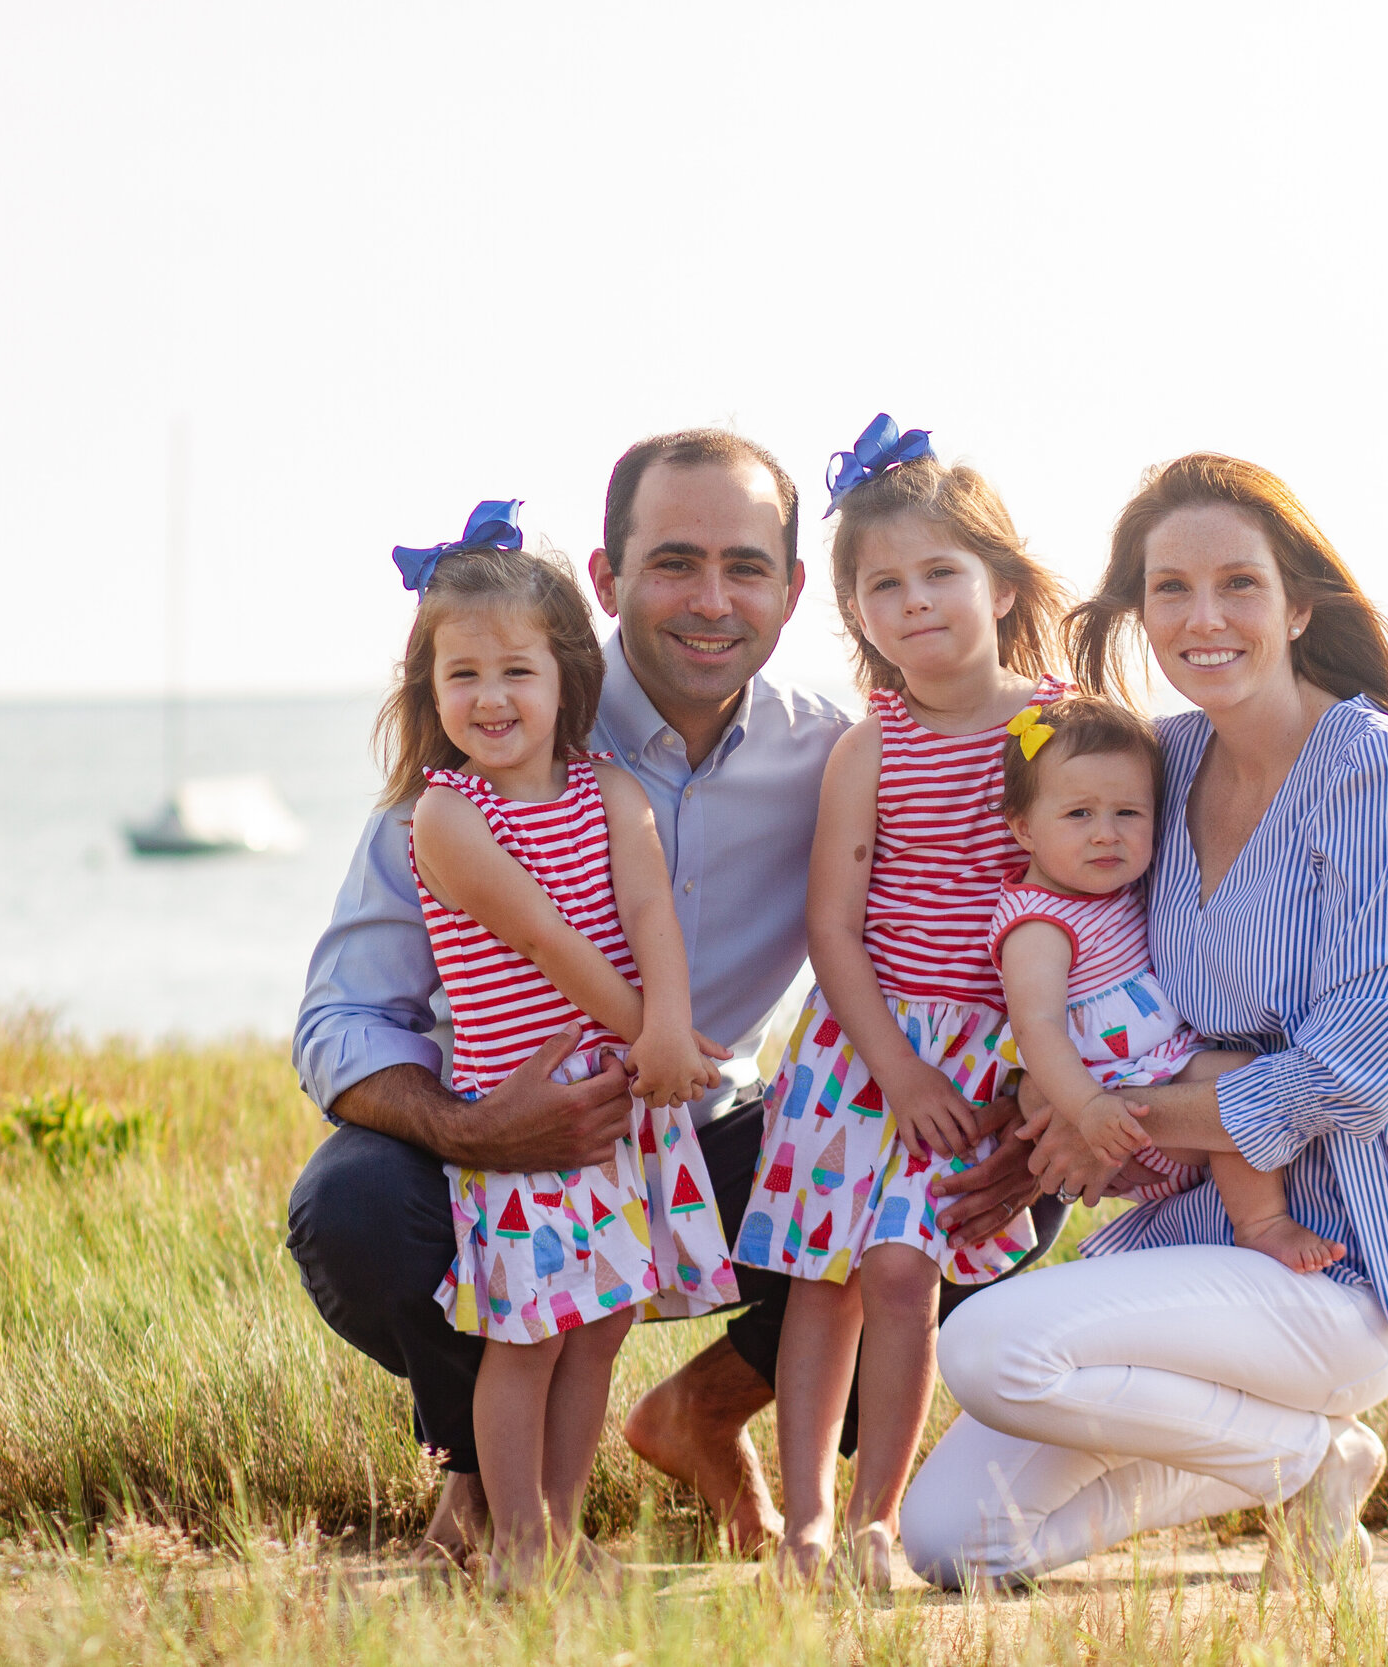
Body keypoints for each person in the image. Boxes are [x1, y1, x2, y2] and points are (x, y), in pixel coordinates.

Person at [285, 428, 1063, 1569]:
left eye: (745, 566)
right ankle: (483, 1474)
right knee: (353, 1208)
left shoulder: (831, 753)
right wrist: (473, 1128)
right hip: (505, 1137)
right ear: (604, 579)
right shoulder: (504, 732)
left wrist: (1034, 1084)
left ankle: (706, 1406)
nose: (711, 599)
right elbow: (339, 1022)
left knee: (989, 1185)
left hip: (708, 1135)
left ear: (799, 591)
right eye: (673, 562)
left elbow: (984, 880)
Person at [899, 453, 1388, 1590]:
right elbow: (1080, 975)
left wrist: (1113, 1115)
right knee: (953, 1543)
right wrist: (1039, 1104)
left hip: (1338, 1263)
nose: (1202, 617)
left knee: (985, 1343)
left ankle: (1297, 1446)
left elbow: (1361, 1073)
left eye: (1238, 584)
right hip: (1189, 1238)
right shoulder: (1158, 763)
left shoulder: (1379, 772)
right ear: (1134, 609)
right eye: (1169, 588)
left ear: (1297, 604)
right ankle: (1307, 1464)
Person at [735, 415, 1070, 1585]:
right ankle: (804, 1524)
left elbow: (1103, 890)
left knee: (899, 1271)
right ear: (857, 613)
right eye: (885, 585)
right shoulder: (869, 747)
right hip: (862, 1044)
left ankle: (878, 1513)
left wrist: (1034, 1069)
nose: (916, 601)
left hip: (986, 1050)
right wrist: (896, 1067)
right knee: (817, 1282)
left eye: (941, 573)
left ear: (1001, 583)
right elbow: (831, 923)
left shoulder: (1055, 726)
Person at [381, 504, 741, 1588]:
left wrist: (670, 1026)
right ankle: (514, 1545)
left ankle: (559, 1527)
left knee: (601, 1323)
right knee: (526, 1335)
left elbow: (647, 919)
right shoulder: (448, 815)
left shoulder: (607, 789)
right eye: (462, 676)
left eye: (515, 672)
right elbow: (547, 938)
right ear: (430, 691)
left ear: (565, 674)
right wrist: (656, 1035)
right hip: (533, 1119)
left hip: (625, 1107)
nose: (490, 699)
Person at [986, 692, 1342, 1274]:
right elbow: (1036, 1026)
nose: (1106, 834)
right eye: (1079, 815)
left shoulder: (1120, 888)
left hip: (1162, 1068)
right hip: (1115, 1093)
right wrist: (1088, 1107)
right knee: (1234, 1079)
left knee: (1237, 1073)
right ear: (1024, 830)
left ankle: (1233, 1229)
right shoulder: (1038, 925)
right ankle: (1262, 1225)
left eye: (1128, 813)